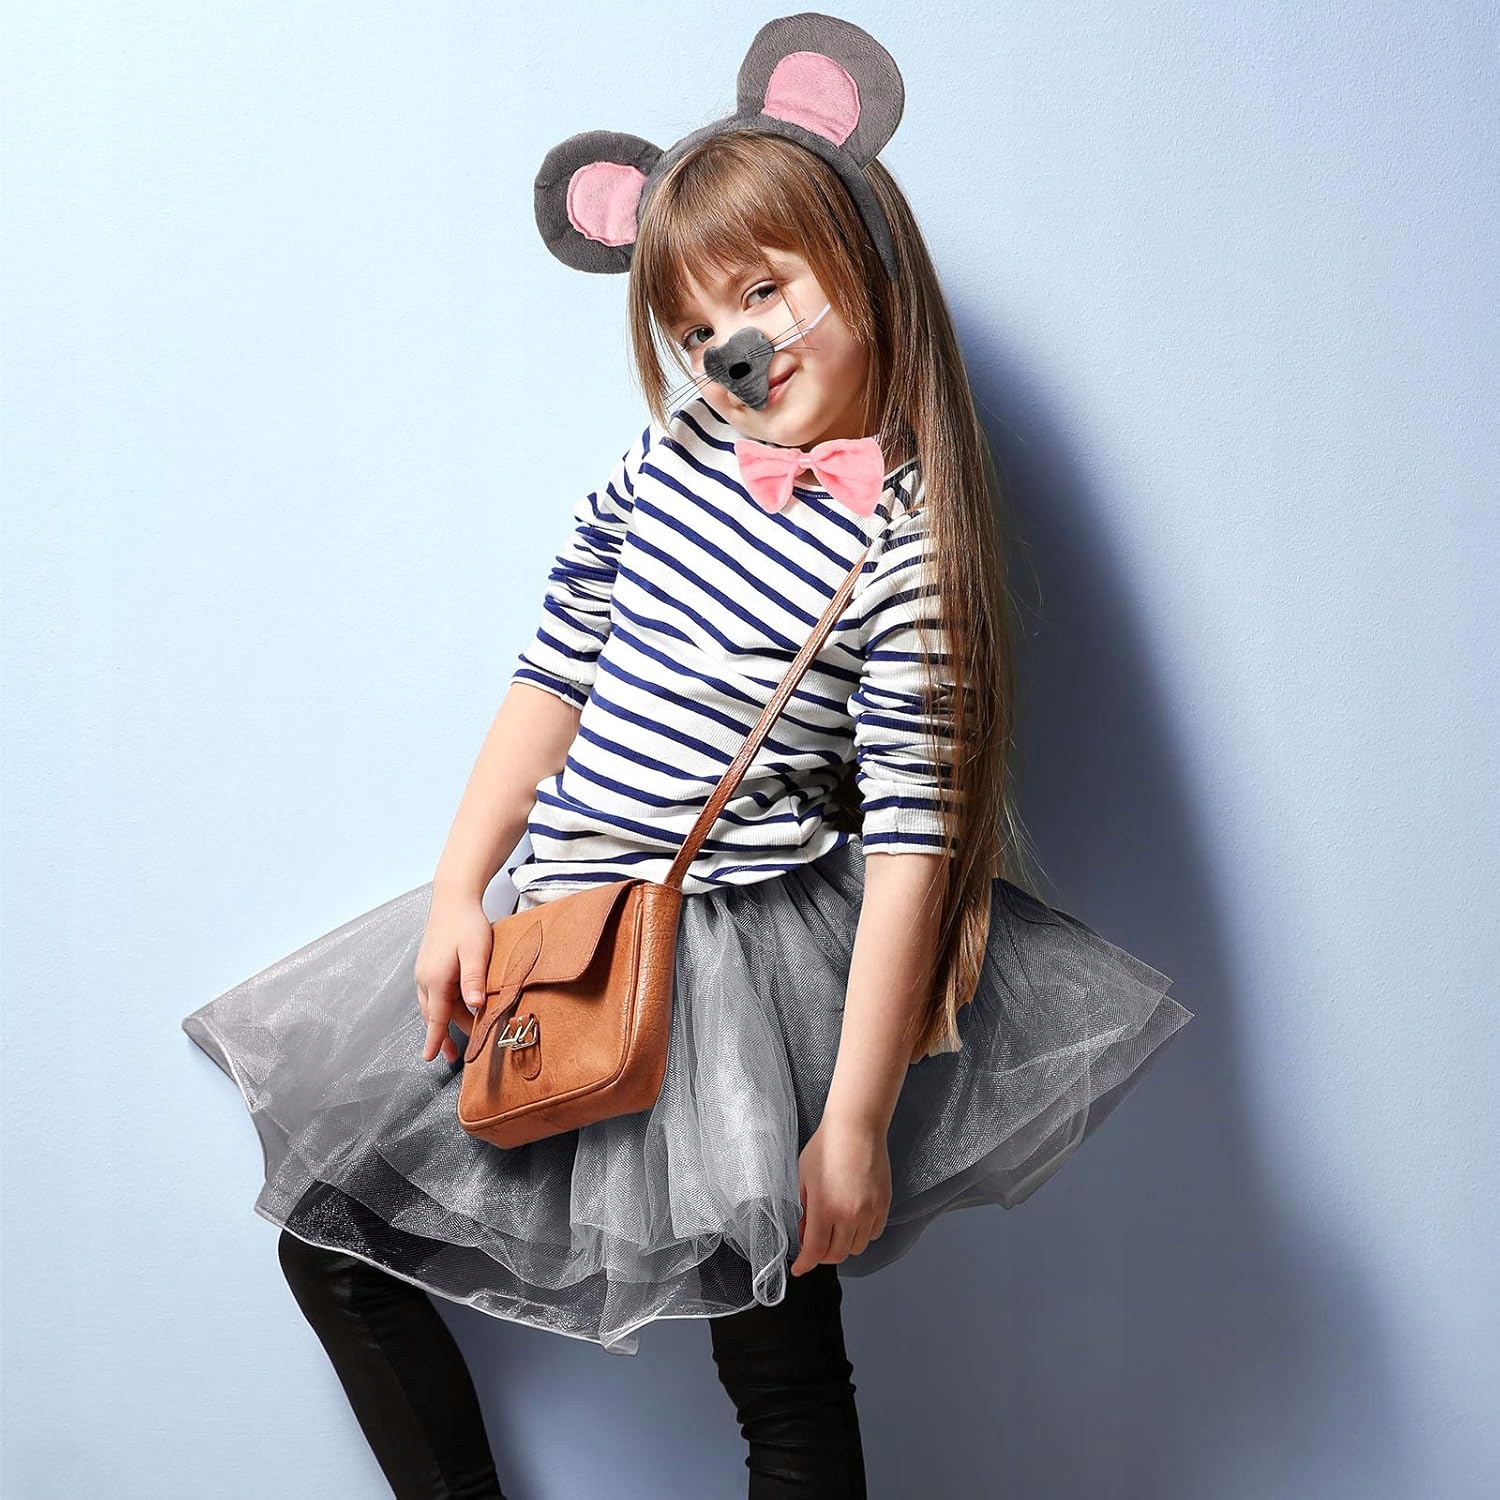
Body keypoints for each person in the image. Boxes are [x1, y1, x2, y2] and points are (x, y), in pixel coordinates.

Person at [181, 14, 1193, 1498]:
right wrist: (461, 889)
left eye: (765, 289)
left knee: (776, 1352)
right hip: (560, 924)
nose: (733, 345)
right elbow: (555, 673)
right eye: (695, 320)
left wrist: (853, 1120)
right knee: (334, 1244)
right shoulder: (662, 465)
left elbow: (913, 850)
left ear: (865, 264)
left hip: (738, 972)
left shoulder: (906, 549)